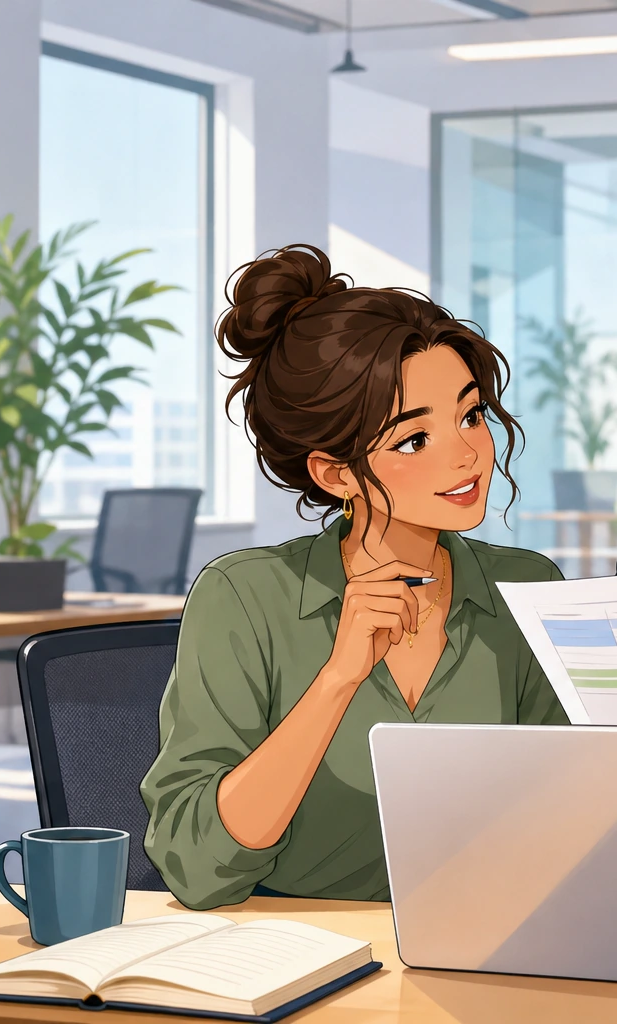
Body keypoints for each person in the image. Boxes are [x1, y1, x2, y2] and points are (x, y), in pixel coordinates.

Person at [141, 244, 568, 910]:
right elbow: (197, 869)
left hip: (487, 942)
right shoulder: (244, 597)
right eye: (414, 439)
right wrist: (338, 678)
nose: (467, 453)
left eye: (470, 415)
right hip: (297, 954)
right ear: (335, 473)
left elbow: (571, 816)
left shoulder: (529, 588)